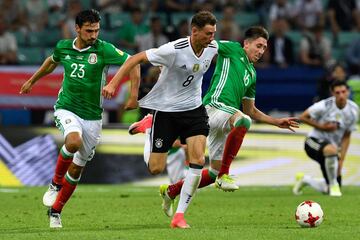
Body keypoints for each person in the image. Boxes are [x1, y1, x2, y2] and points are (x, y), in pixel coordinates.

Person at [127, 26, 299, 218]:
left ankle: (171, 191)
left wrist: (277, 122)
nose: (261, 51)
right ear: (246, 43)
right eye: (258, 46)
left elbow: (251, 110)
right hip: (214, 106)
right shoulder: (232, 49)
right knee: (242, 121)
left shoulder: (252, 74)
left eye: (264, 48)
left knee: (212, 172)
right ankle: (223, 174)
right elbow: (202, 42)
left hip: (226, 118)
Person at [19, 9, 140, 228]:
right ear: (77, 29)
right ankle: (55, 184)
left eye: (96, 30)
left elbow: (134, 62)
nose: (94, 35)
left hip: (93, 116)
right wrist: (32, 81)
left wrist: (131, 95)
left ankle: (55, 212)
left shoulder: (104, 49)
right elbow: (51, 62)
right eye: (89, 30)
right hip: (67, 107)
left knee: (76, 169)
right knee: (73, 142)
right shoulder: (64, 46)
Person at [102, 11, 218, 229]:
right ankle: (148, 129)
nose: (212, 38)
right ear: (194, 31)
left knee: (198, 160)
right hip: (166, 112)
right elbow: (135, 59)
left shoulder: (213, 47)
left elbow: (235, 50)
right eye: (208, 33)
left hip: (194, 110)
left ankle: (180, 216)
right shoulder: (173, 49)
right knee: (156, 168)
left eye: (214, 33)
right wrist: (114, 85)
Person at [293, 80, 359, 197]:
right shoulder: (324, 105)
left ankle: (306, 180)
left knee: (329, 188)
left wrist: (341, 160)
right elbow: (303, 117)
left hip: (331, 150)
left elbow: (347, 135)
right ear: (332, 93)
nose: (341, 95)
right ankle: (333, 184)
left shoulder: (353, 110)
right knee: (331, 151)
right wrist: (322, 127)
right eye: (337, 93)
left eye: (343, 92)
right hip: (312, 142)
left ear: (348, 92)